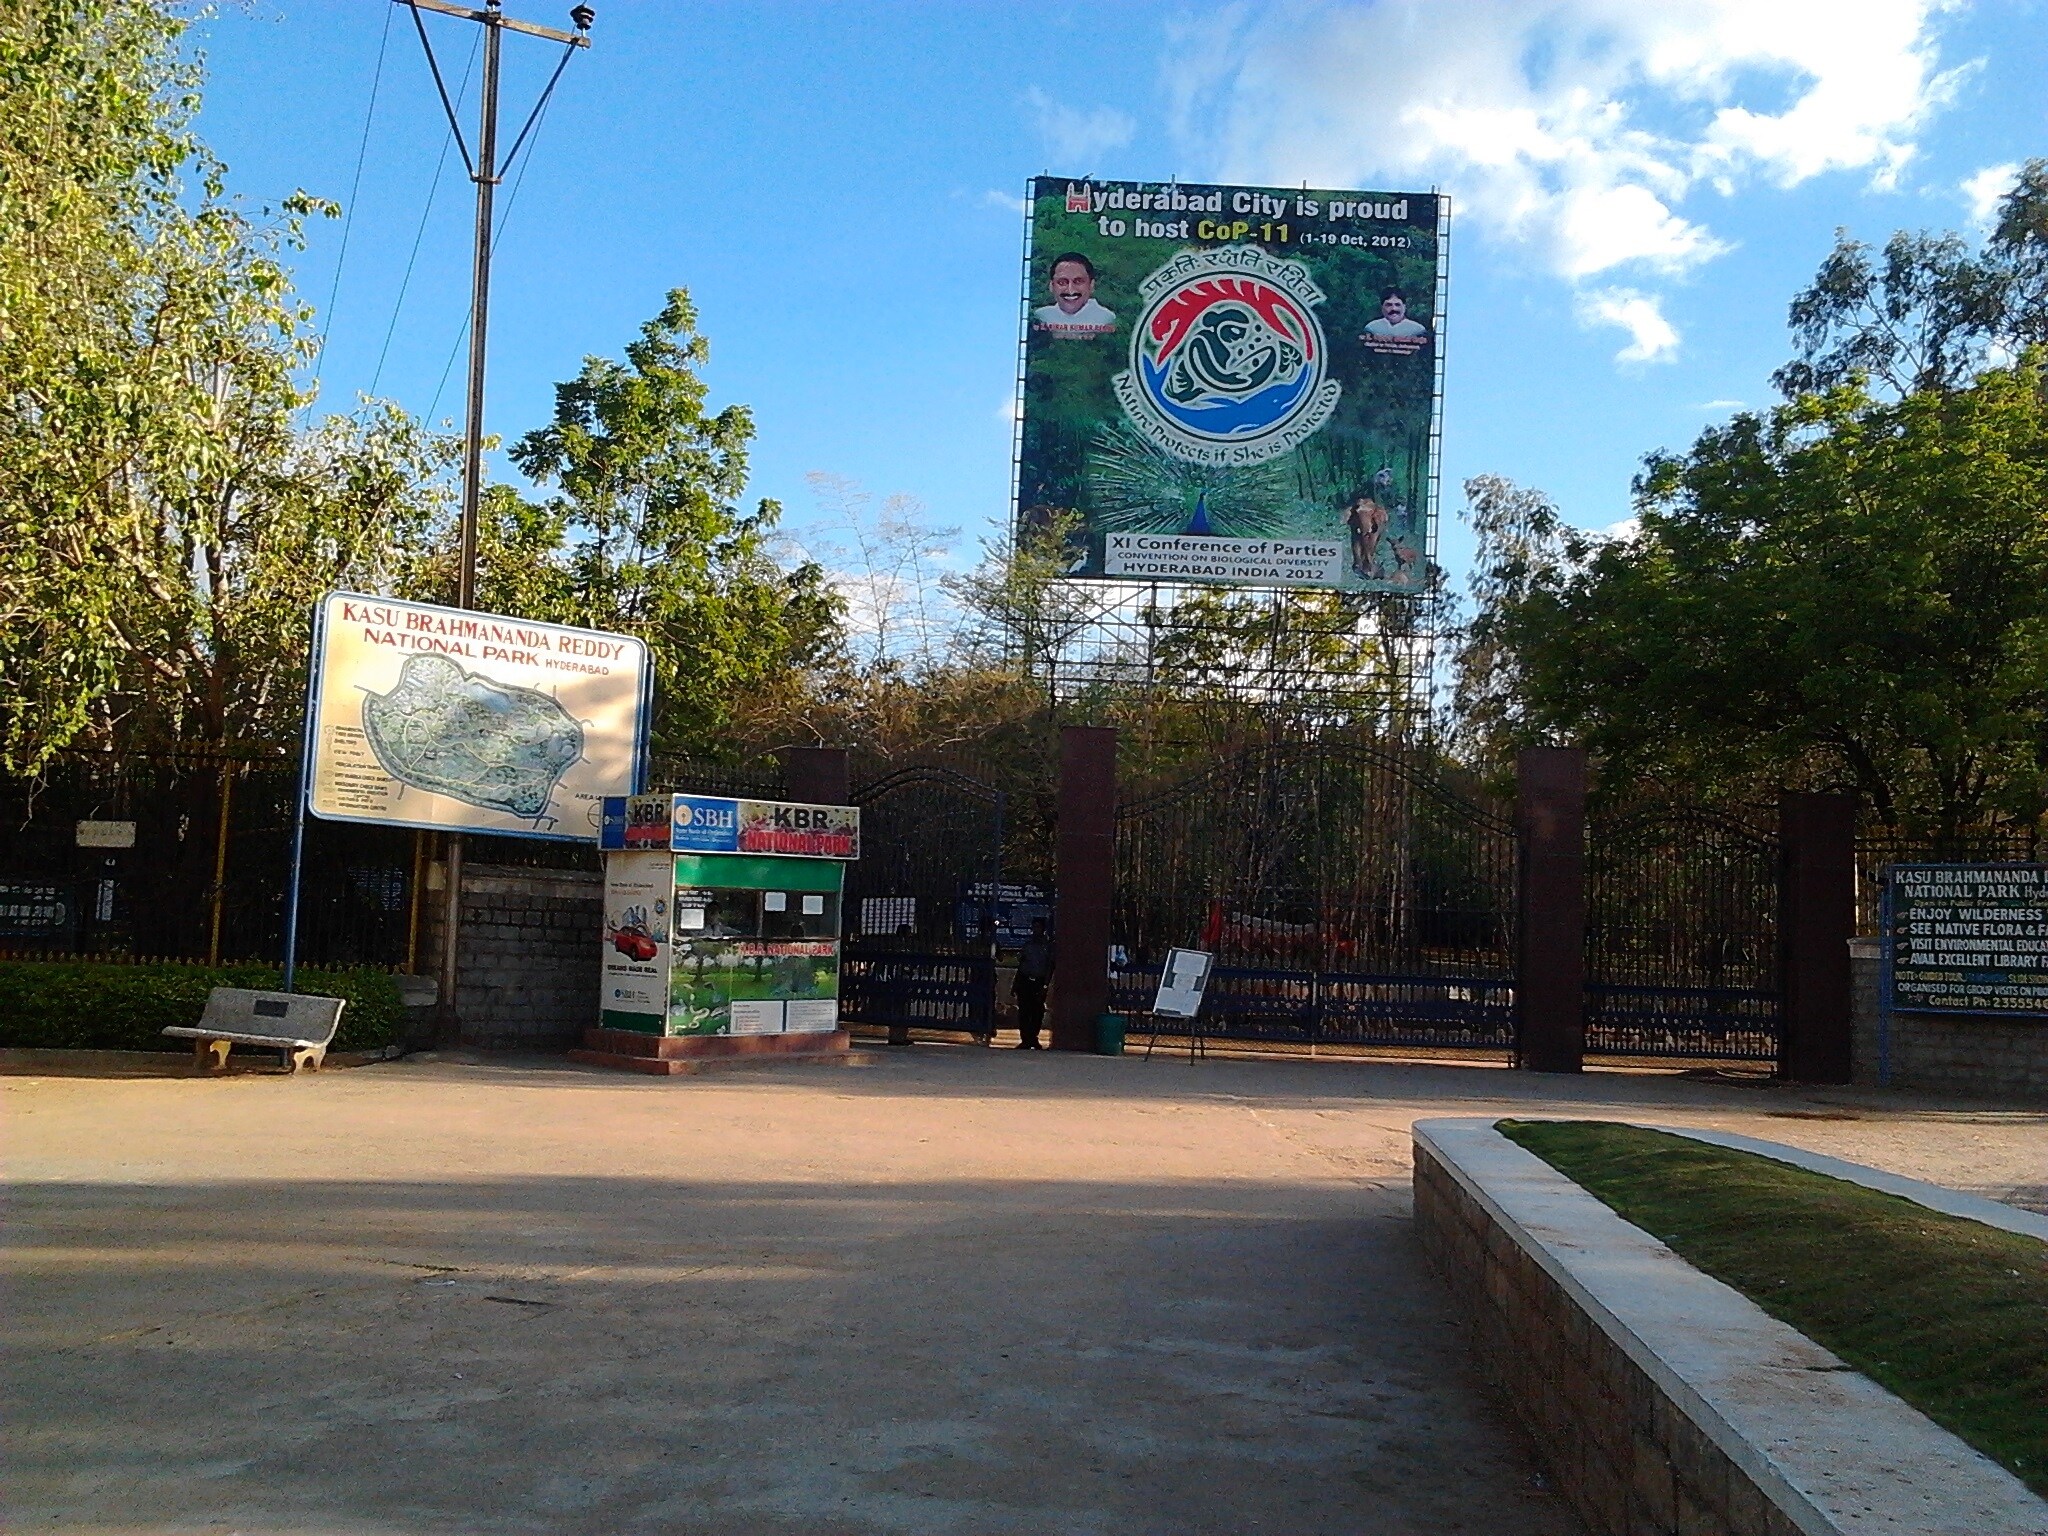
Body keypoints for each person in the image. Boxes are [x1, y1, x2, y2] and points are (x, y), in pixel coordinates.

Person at [1033, 253, 1116, 337]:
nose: (1070, 290)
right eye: (1062, 282)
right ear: (1051, 286)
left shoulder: (1107, 318)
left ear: (1091, 285)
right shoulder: (1041, 316)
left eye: (1078, 281)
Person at [1014, 919, 1054, 1048]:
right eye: (1034, 927)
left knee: (1037, 1012)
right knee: (1024, 1011)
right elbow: (1021, 965)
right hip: (1025, 981)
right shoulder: (1028, 945)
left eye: (1038, 927)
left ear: (1043, 929)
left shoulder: (1047, 947)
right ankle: (1025, 1039)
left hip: (1038, 982)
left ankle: (1033, 1037)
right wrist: (1015, 984)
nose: (1036, 930)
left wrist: (1045, 985)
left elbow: (1050, 967)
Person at [1361, 288, 1430, 354]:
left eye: (1397, 305)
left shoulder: (1418, 329)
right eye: (1389, 305)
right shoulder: (1372, 328)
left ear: (1404, 307)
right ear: (1382, 307)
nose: (1393, 309)